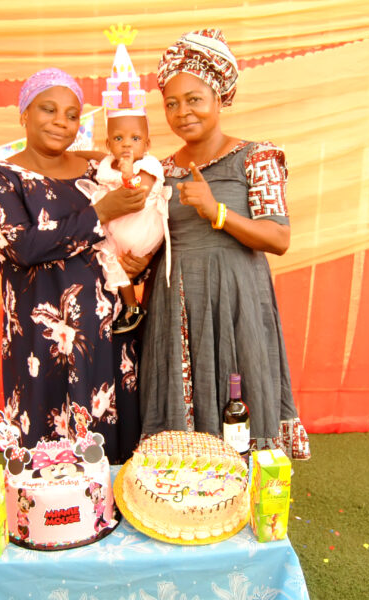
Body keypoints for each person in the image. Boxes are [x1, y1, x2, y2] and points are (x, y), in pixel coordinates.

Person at [139, 29, 311, 460]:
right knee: (180, 412)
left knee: (237, 395)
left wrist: (216, 211)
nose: (183, 112)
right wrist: (133, 260)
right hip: (174, 304)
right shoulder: (159, 170)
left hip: (234, 302)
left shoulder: (256, 158)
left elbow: (279, 238)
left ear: (219, 98)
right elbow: (154, 239)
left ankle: (242, 484)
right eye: (171, 104)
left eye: (194, 99)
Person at [0, 68, 148, 464]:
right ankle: (48, 501)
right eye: (48, 109)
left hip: (109, 328)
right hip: (45, 335)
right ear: (24, 113)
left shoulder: (96, 172)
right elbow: (23, 247)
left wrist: (137, 262)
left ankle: (113, 497)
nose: (61, 122)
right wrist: (100, 212)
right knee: (49, 434)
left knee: (114, 429)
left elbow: (127, 230)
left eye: (72, 115)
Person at [76, 110, 171, 334]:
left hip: (139, 225)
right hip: (119, 223)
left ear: (147, 144)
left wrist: (128, 176)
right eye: (118, 138)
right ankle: (130, 307)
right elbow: (98, 156)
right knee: (114, 263)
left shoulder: (149, 165)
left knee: (117, 259)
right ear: (109, 144)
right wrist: (73, 154)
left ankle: (131, 307)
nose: (127, 144)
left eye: (135, 138)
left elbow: (139, 195)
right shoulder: (109, 162)